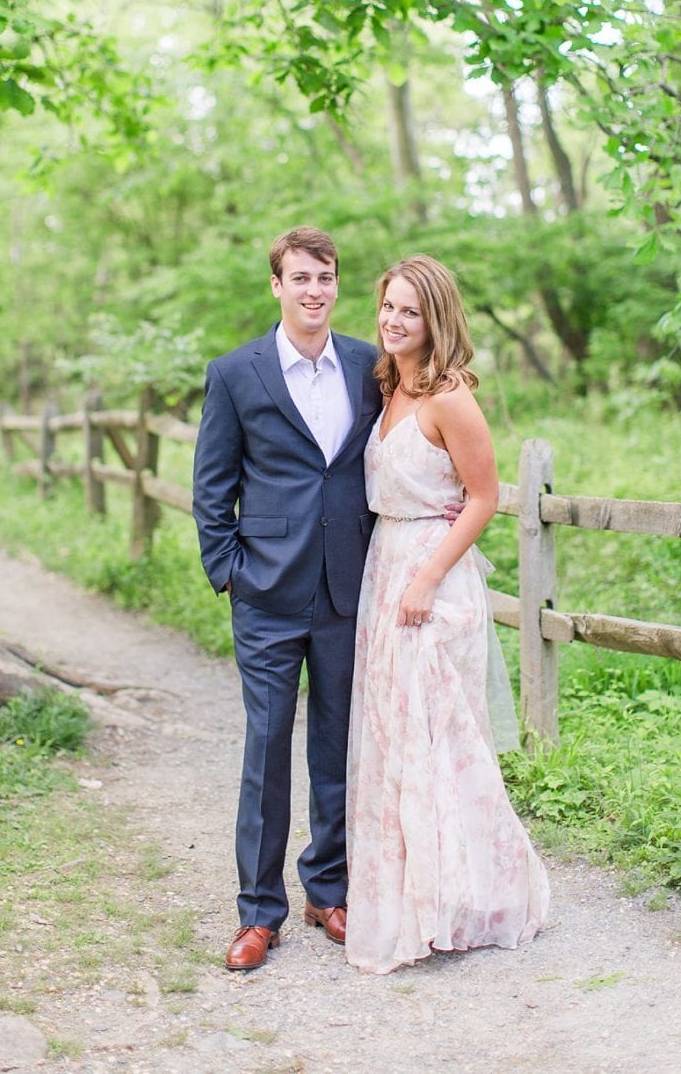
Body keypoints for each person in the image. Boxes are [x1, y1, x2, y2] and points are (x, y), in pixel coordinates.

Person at [345, 253, 548, 975]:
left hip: (432, 580)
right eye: (388, 307)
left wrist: (428, 577)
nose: (394, 320)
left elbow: (485, 497)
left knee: (436, 738)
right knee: (392, 737)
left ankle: (472, 895)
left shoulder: (451, 398)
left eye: (409, 310)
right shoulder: (387, 387)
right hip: (384, 569)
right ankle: (409, 894)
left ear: (435, 320)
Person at [192, 226, 379, 970]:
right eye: (300, 277)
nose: (314, 290)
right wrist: (230, 571)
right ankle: (258, 912)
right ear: (277, 285)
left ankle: (327, 889)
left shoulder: (369, 366)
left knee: (336, 746)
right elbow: (213, 488)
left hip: (345, 588)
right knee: (266, 750)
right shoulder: (236, 373)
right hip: (265, 593)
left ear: (337, 285)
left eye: (325, 278)